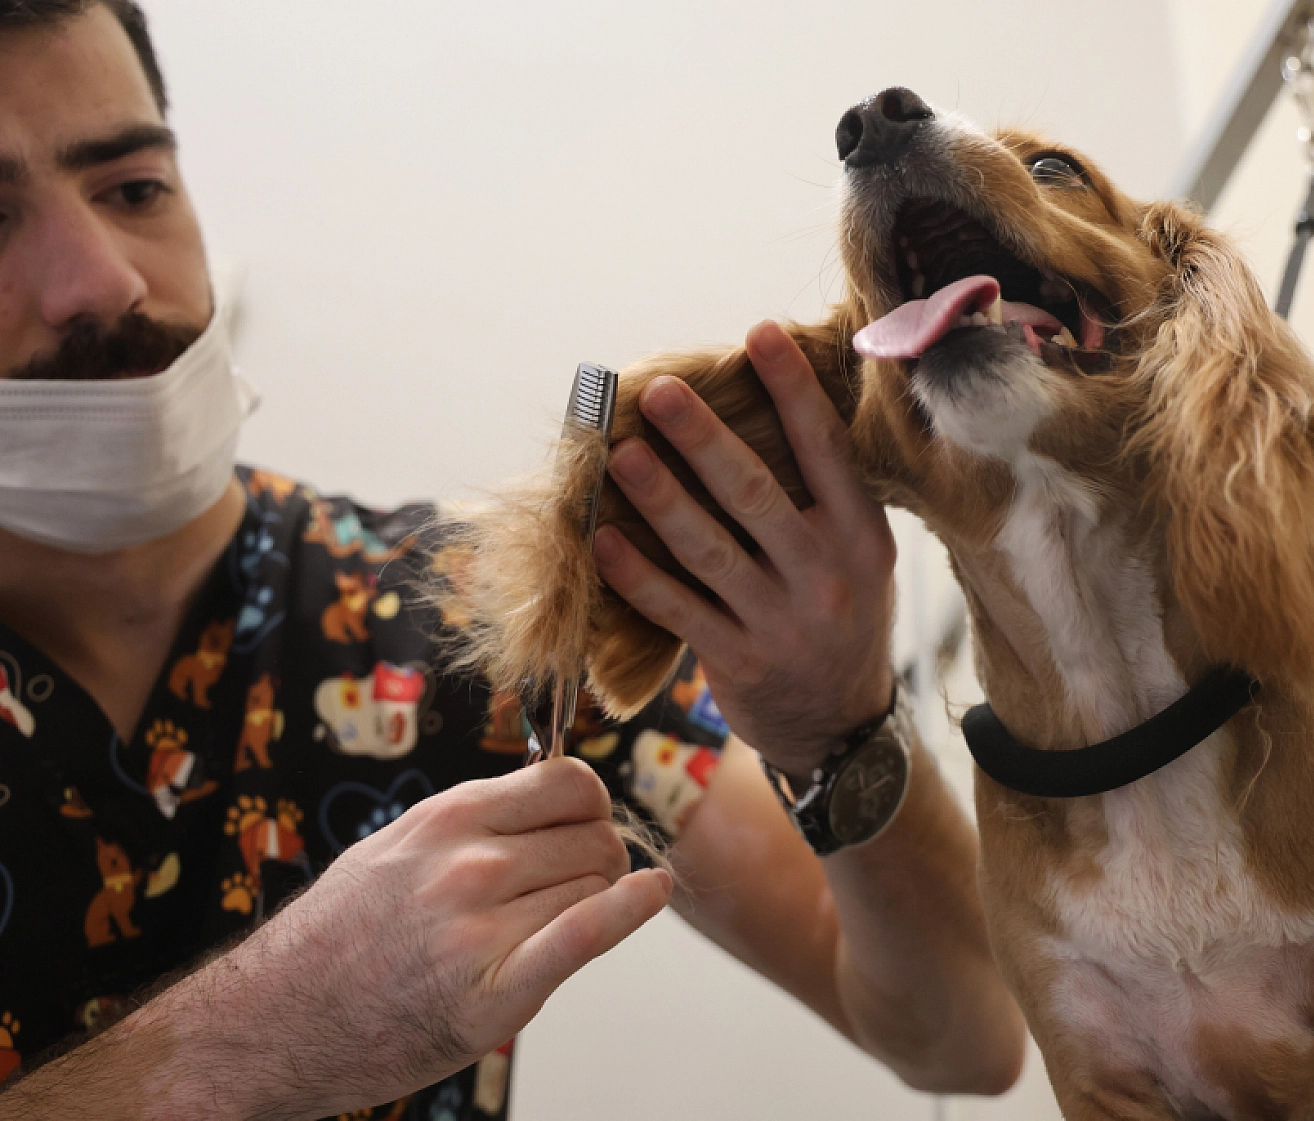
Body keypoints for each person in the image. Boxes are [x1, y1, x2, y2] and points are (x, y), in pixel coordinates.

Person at [0, 2, 1027, 1118]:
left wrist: (841, 725)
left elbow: (963, 1034)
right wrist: (259, 1037)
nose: (98, 281)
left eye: (133, 188)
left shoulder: (459, 616)